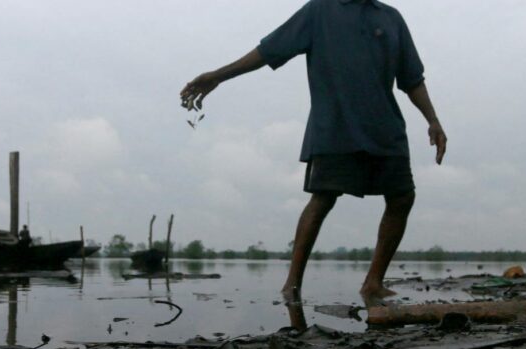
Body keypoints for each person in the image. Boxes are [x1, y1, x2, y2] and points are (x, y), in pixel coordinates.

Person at [180, 0, 447, 301]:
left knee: (402, 197)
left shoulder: (391, 18)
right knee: (322, 199)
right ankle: (292, 284)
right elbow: (268, 51)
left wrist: (433, 120)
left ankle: (373, 282)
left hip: (385, 129)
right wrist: (218, 75)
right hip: (335, 127)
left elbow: (412, 79)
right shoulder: (320, 11)